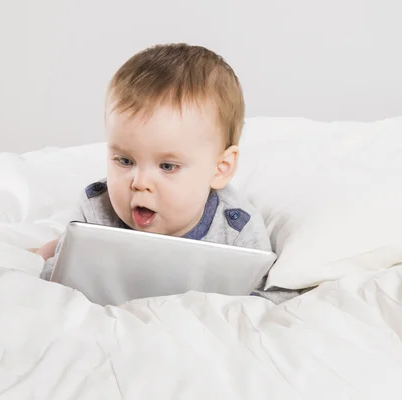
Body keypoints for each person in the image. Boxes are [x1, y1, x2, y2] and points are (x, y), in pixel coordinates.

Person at [33, 43, 301, 304]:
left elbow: (269, 299)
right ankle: (51, 244)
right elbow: (56, 281)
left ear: (220, 169)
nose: (140, 183)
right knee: (53, 251)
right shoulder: (95, 211)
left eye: (167, 166)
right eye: (125, 161)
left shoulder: (238, 229)